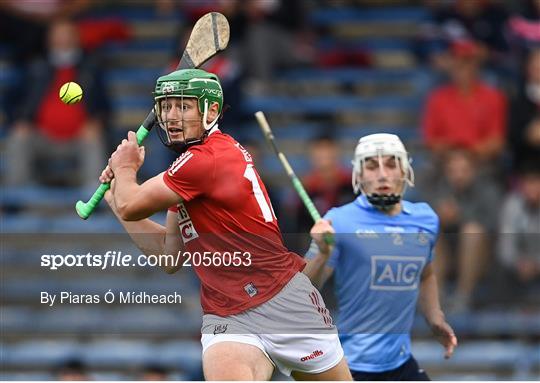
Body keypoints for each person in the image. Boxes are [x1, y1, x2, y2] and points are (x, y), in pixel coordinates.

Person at [99, 68, 352, 381]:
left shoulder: (207, 159)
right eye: (166, 107)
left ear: (212, 110)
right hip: (227, 314)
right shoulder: (186, 167)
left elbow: (132, 203)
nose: (172, 117)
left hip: (283, 300)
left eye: (183, 106)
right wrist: (115, 198)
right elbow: (169, 256)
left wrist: (124, 169)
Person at [304, 133, 457, 380]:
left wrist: (435, 317)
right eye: (372, 167)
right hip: (351, 367)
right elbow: (302, 290)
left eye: (391, 164)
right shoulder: (339, 220)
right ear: (359, 176)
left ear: (405, 170)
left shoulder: (425, 219)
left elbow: (426, 273)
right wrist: (322, 254)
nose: (383, 175)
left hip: (401, 362)